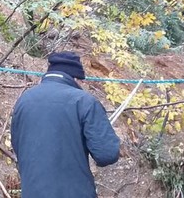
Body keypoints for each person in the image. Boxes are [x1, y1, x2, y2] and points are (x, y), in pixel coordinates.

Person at [10, 52, 120, 198]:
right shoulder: (83, 101)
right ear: (75, 78)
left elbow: (18, 146)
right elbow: (107, 154)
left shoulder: (23, 101)